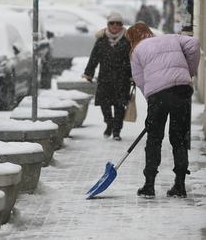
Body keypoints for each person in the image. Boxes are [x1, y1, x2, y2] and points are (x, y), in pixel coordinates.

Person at [125, 22, 200, 198]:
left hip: (158, 95)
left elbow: (140, 81)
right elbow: (194, 43)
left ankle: (149, 185)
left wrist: (152, 102)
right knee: (179, 137)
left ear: (132, 39)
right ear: (149, 32)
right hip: (182, 90)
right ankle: (180, 185)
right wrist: (188, 72)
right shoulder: (171, 38)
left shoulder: (136, 52)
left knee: (154, 139)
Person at [82, 12, 132, 141]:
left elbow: (134, 60)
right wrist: (88, 73)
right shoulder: (101, 40)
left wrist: (134, 76)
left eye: (118, 23)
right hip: (105, 78)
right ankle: (109, 123)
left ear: (122, 25)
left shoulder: (128, 40)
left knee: (120, 106)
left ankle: (116, 131)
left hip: (123, 79)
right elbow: (94, 58)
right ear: (108, 25)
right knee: (105, 104)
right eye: (112, 23)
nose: (115, 26)